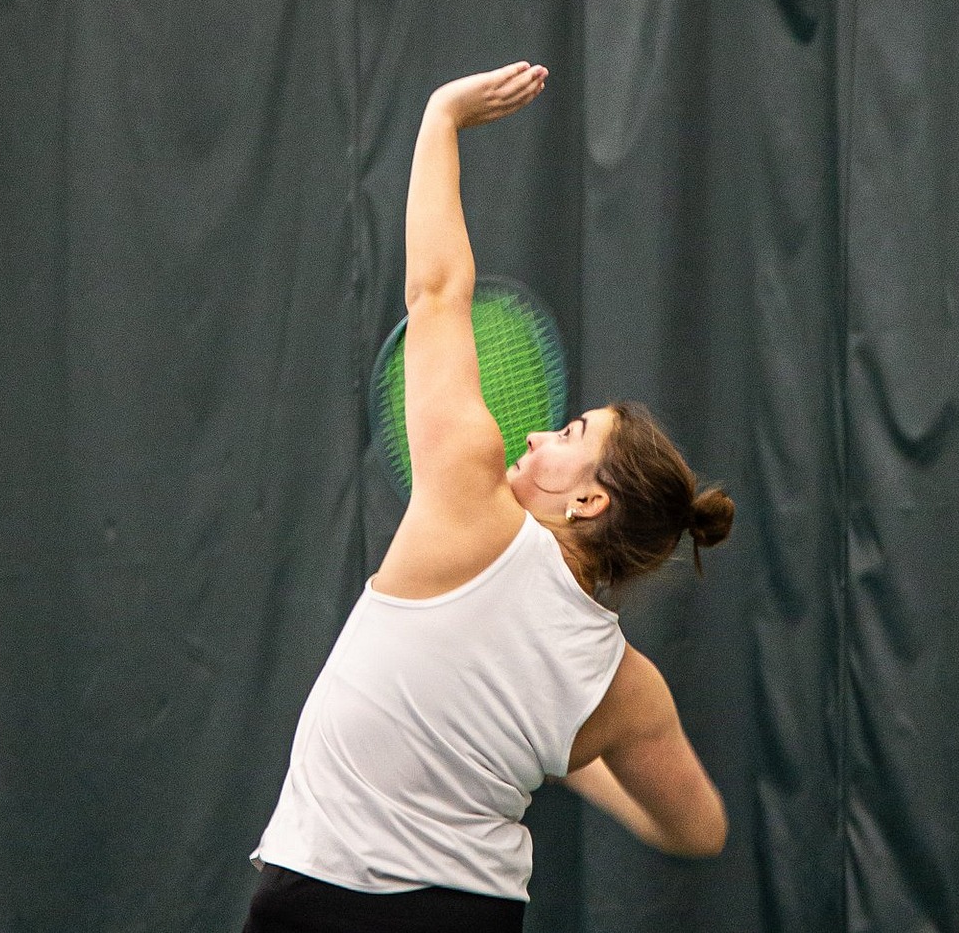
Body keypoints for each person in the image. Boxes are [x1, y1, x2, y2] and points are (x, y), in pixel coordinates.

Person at [243, 62, 733, 933]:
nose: (540, 434)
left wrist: (440, 117)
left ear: (589, 505)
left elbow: (436, 289)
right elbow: (698, 830)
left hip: (325, 903)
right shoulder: (627, 692)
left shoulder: (469, 499)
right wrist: (574, 758)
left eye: (571, 435)